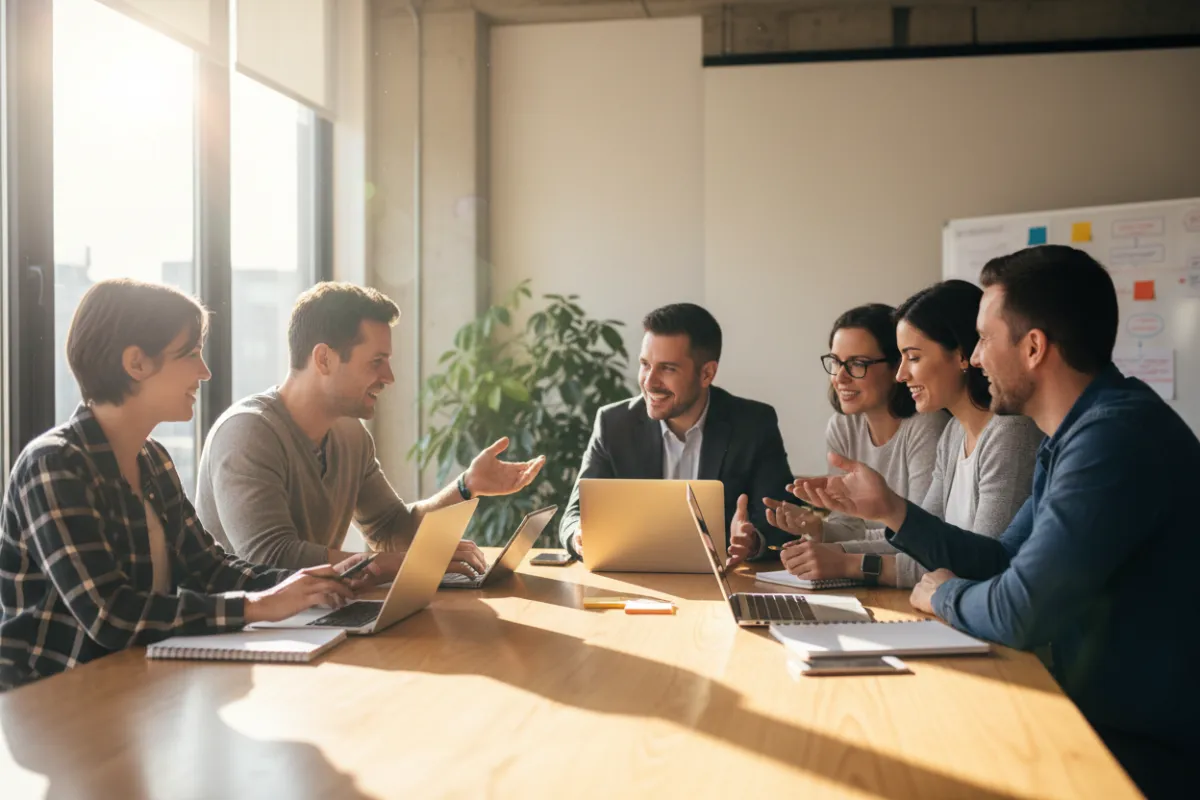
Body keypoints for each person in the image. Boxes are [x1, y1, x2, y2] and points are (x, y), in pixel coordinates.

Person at [788, 246, 1199, 797]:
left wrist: (943, 596)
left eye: (983, 339)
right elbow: (1001, 559)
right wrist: (894, 511)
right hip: (1096, 722)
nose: (975, 358)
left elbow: (1019, 610)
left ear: (1033, 348)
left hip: (1141, 755)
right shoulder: (1075, 436)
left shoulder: (1113, 440)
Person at [0, 280, 370, 690]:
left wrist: (306, 584)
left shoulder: (153, 459)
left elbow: (209, 570)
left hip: (137, 686)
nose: (205, 371)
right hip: (52, 700)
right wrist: (260, 606)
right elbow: (110, 616)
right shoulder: (54, 464)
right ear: (136, 363)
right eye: (191, 354)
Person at [195, 282, 545, 581]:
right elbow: (271, 560)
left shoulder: (351, 435)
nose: (389, 377)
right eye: (376, 362)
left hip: (310, 623)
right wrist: (409, 564)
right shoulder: (247, 433)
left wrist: (467, 486)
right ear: (324, 360)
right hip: (246, 640)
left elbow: (391, 530)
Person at [772, 282, 1041, 587]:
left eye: (913, 358)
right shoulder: (954, 432)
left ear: (962, 355)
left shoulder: (1008, 433)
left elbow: (979, 565)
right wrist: (828, 552)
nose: (901, 375)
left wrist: (848, 562)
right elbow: (923, 542)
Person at [559, 303, 794, 563]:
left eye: (667, 368)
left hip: (724, 581)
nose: (649, 382)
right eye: (645, 364)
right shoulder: (613, 423)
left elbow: (781, 521)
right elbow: (575, 514)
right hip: (635, 578)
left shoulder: (754, 424)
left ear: (707, 373)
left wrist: (753, 541)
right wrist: (578, 535)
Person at [755, 304, 948, 567]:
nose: (840, 378)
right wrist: (818, 530)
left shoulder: (927, 426)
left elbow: (918, 538)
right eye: (836, 362)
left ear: (896, 367)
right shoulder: (843, 427)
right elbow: (847, 524)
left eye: (857, 364)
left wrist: (838, 553)